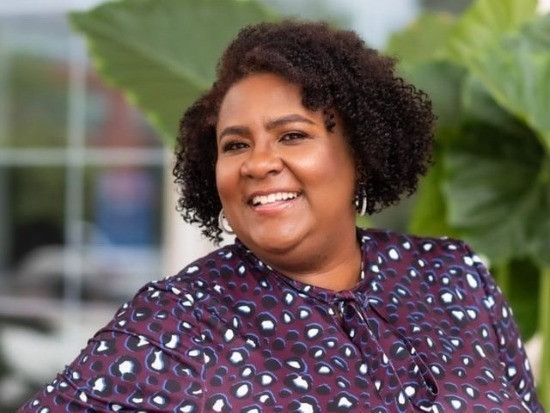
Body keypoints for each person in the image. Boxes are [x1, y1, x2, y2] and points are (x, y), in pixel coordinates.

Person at [20, 20, 542, 413]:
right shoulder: (177, 322)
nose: (258, 163)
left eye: (292, 135)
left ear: (360, 152)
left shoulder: (454, 276)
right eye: (235, 144)